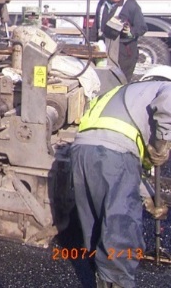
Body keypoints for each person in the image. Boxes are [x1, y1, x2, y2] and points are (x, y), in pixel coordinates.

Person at [71, 65, 171, 288]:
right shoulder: (164, 86)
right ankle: (117, 281)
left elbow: (134, 170)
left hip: (81, 154)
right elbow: (169, 102)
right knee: (121, 223)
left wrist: (148, 197)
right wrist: (163, 142)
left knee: (96, 222)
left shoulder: (121, 94)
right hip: (112, 155)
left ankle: (102, 276)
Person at [90, 0, 147, 82]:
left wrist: (130, 32)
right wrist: (91, 43)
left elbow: (142, 27)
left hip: (124, 53)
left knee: (121, 83)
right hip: (103, 50)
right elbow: (95, 26)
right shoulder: (101, 4)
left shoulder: (131, 4)